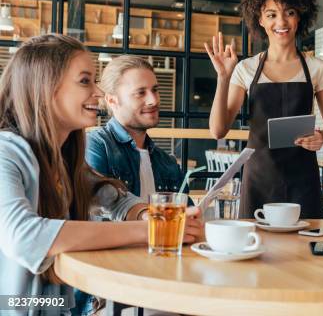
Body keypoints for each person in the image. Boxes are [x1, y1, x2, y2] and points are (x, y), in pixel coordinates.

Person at [0, 35, 203, 314]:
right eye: (85, 81)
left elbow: (114, 199)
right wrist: (153, 230)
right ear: (45, 88)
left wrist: (151, 216)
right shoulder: (4, 152)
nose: (97, 91)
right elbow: (25, 236)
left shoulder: (61, 157)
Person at [206, 0, 323, 219]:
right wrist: (223, 78)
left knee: (303, 250)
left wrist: (321, 136)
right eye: (272, 14)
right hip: (259, 177)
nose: (281, 22)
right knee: (258, 251)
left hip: (303, 178)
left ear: (299, 16)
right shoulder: (246, 69)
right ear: (260, 19)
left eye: (289, 12)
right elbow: (218, 130)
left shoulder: (316, 68)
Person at [86, 55, 186, 199]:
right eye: (140, 93)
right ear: (112, 100)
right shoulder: (96, 146)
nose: (153, 100)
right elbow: (99, 210)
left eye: (155, 90)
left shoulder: (167, 162)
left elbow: (185, 214)